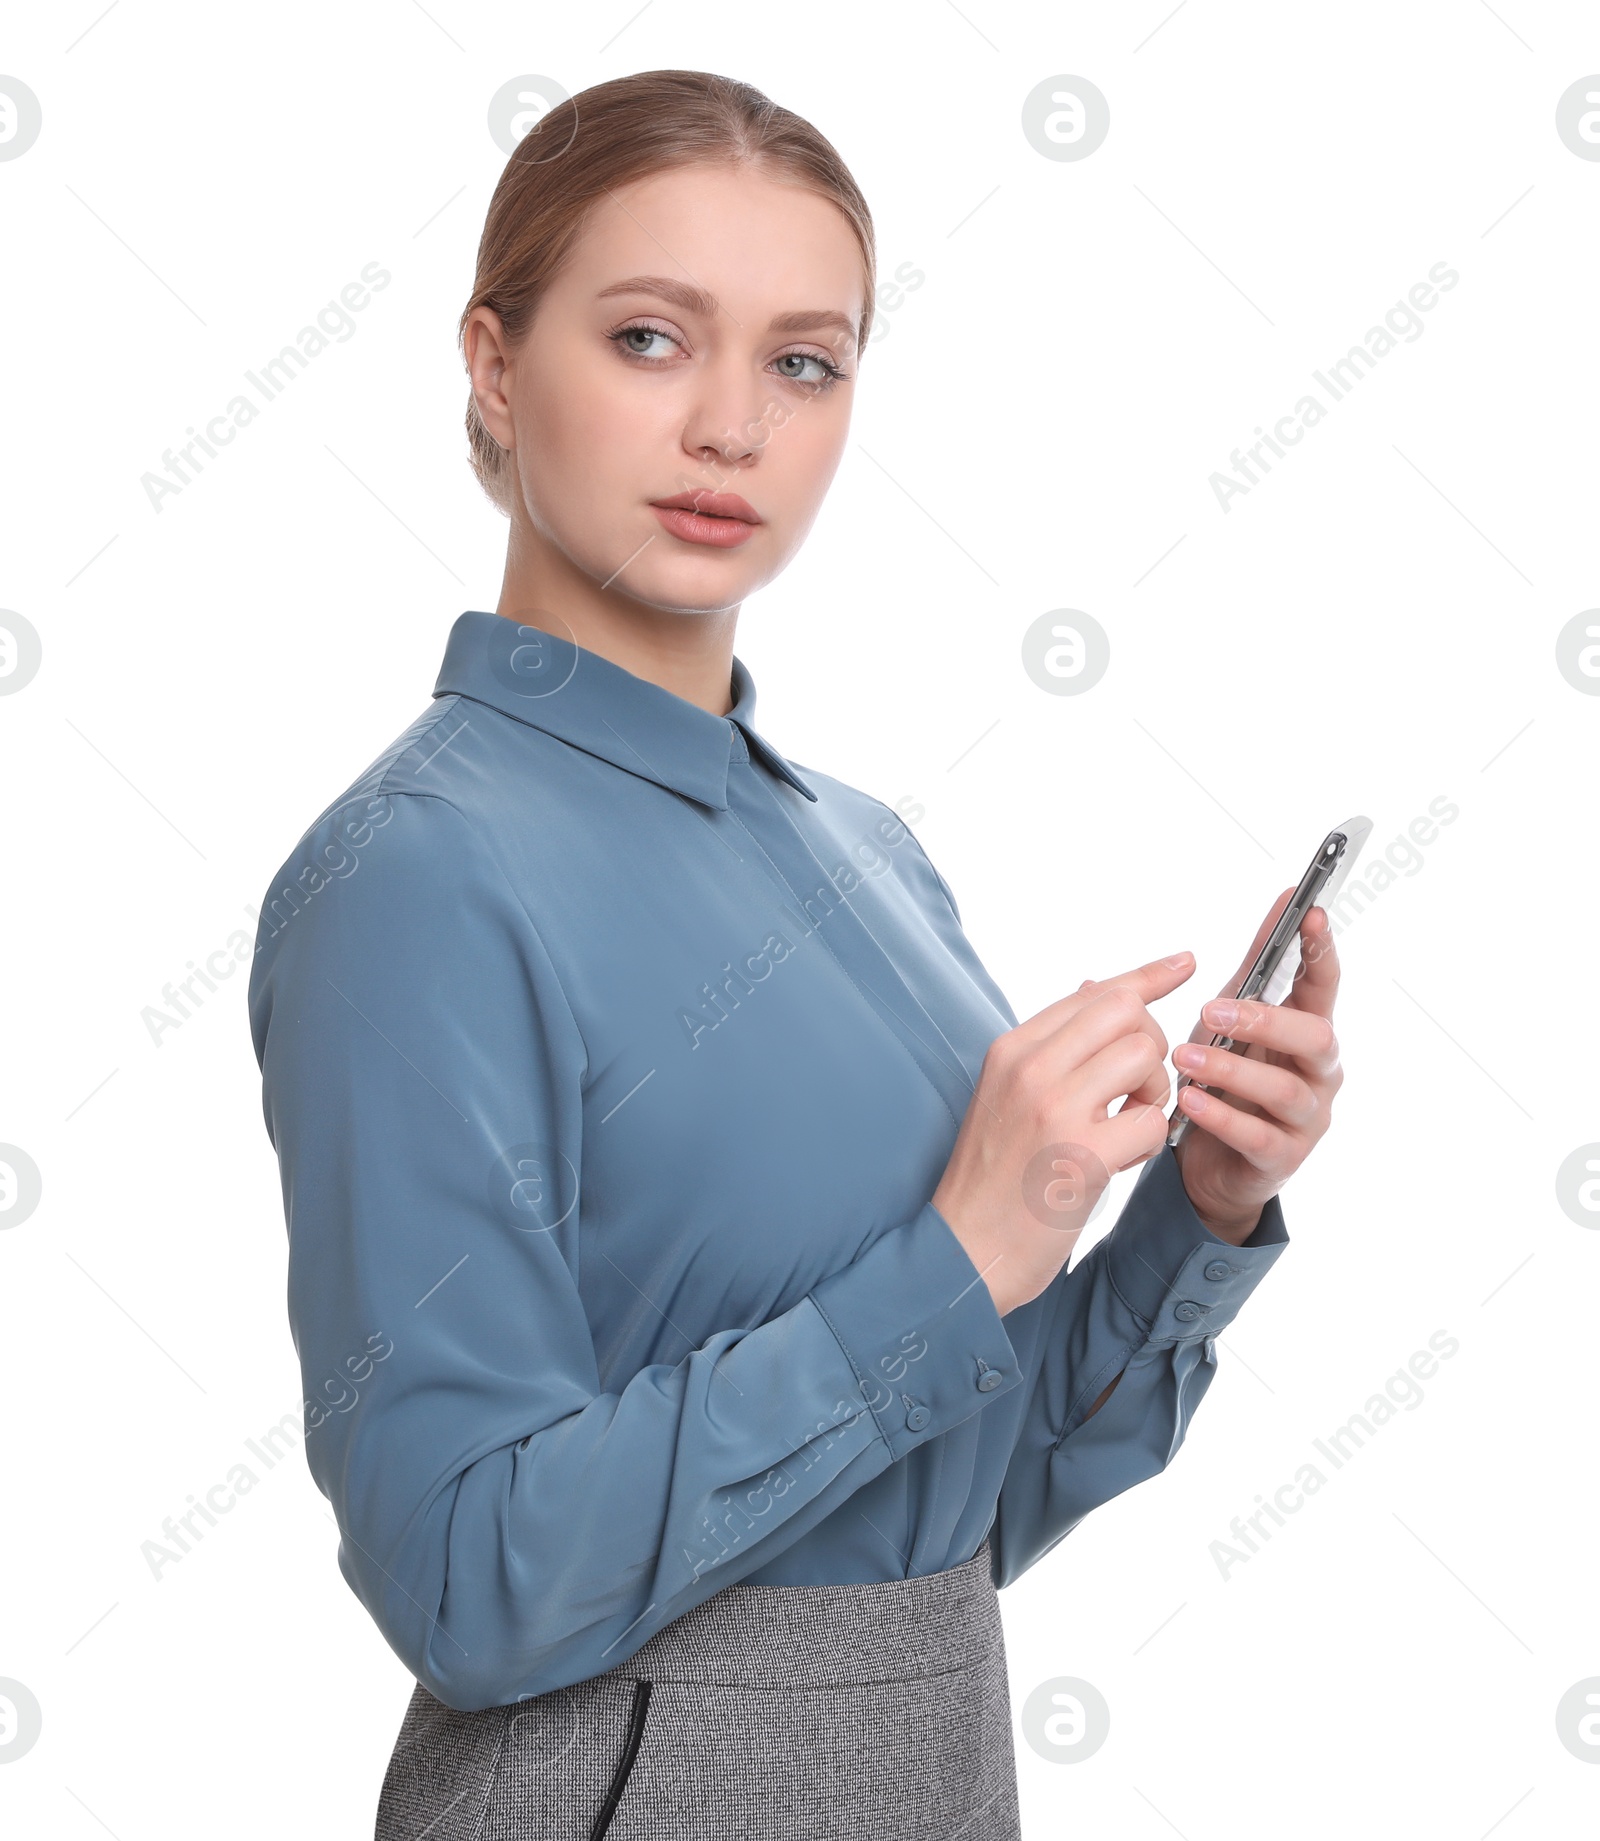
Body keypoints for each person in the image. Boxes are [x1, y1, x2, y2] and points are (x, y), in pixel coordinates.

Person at [246, 67, 1343, 1841]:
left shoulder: (866, 852)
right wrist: (957, 1254)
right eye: (652, 338)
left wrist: (1195, 1211)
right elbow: (467, 1577)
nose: (733, 430)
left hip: (936, 1758)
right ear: (495, 364)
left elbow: (976, 1484)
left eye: (804, 361)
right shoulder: (418, 877)